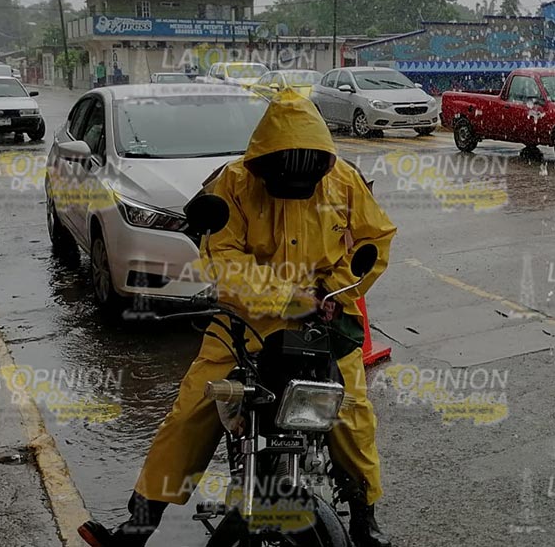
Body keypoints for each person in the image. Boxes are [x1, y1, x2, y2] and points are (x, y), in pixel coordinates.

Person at [79, 90, 397, 547]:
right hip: (244, 325)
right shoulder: (232, 183)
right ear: (263, 160)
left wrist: (336, 289)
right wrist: (289, 297)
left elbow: (376, 239)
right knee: (192, 410)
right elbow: (223, 257)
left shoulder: (345, 182)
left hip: (323, 324)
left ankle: (365, 519)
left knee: (352, 414)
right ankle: (138, 526)